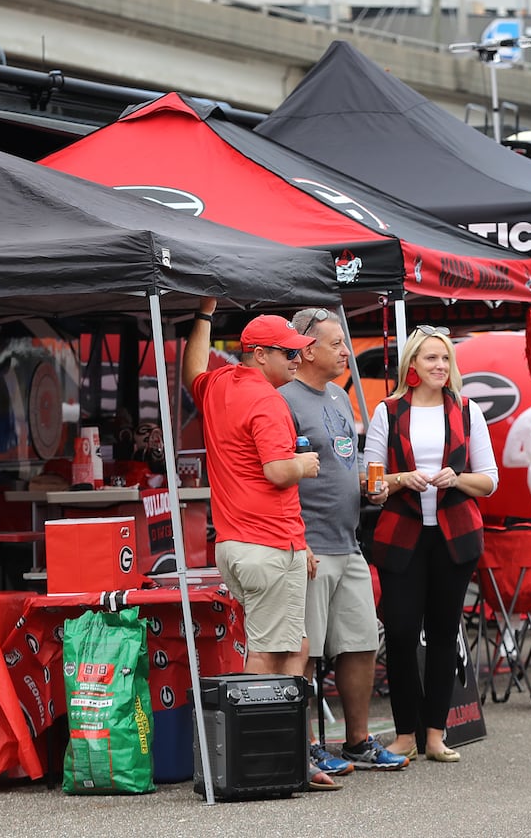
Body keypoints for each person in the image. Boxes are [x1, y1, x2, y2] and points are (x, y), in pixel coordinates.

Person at [182, 299, 340, 791]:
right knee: (272, 654)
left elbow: (192, 367)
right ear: (257, 354)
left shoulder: (220, 384)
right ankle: (266, 756)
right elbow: (277, 471)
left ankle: (288, 755)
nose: (297, 359)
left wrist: (204, 316)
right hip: (268, 546)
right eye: (287, 353)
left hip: (238, 545)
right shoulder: (269, 401)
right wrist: (307, 463)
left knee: (293, 645)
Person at [280, 307, 409, 775]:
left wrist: (368, 485)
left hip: (348, 542)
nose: (345, 352)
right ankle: (305, 746)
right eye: (336, 344)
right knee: (306, 651)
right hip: (308, 546)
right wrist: (297, 539)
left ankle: (357, 741)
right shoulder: (284, 400)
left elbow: (344, 464)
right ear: (307, 348)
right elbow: (276, 477)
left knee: (360, 642)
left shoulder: (337, 396)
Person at [363, 325, 497, 763]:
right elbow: (372, 484)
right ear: (413, 366)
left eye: (445, 359)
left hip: (454, 536)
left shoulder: (467, 409)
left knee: (443, 633)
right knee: (400, 632)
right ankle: (405, 733)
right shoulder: (388, 410)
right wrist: (401, 479)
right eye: (431, 359)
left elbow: (489, 480)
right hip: (401, 534)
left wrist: (456, 478)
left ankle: (435, 734)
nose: (440, 366)